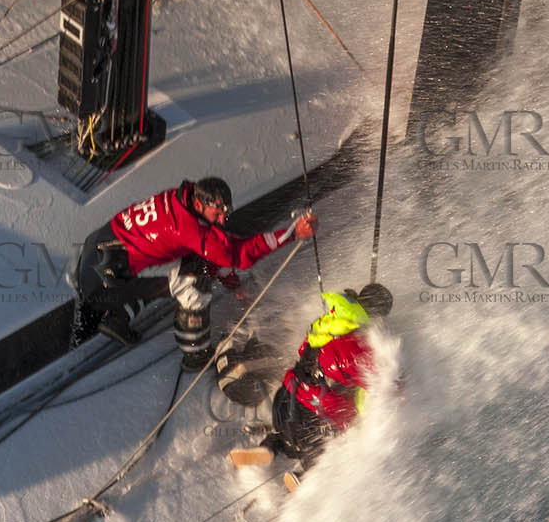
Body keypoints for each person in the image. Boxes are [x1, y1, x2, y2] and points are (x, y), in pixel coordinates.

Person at [73, 177, 317, 368]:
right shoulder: (188, 229)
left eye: (225, 214)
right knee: (194, 284)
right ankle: (194, 353)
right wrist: (292, 233)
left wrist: (232, 284)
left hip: (98, 253)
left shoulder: (180, 199)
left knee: (182, 267)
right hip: (105, 280)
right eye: (217, 214)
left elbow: (213, 251)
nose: (222, 220)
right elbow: (237, 255)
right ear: (200, 204)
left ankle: (117, 316)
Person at [229, 283, 392, 486]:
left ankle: (269, 447)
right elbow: (376, 384)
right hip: (316, 414)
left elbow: (303, 350)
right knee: (324, 448)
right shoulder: (359, 348)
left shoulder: (331, 320)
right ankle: (304, 478)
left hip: (288, 395)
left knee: (283, 431)